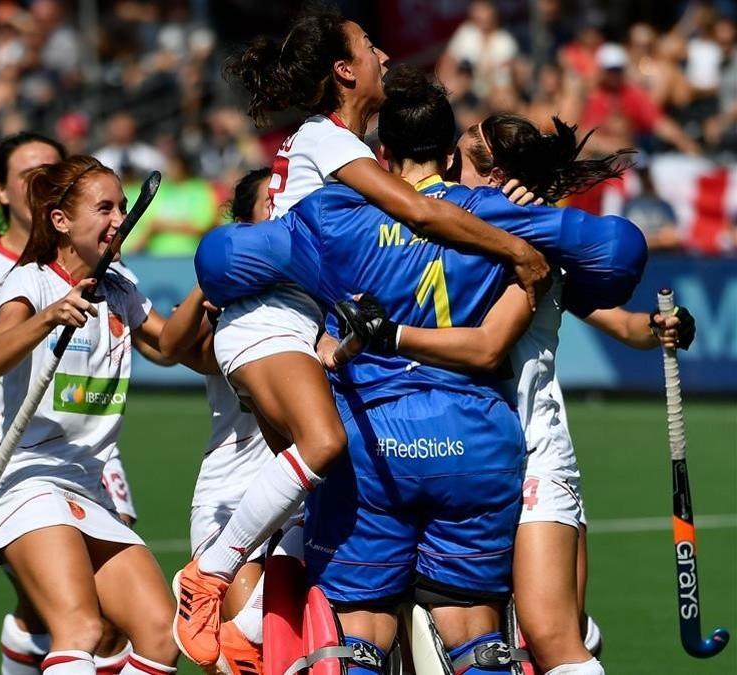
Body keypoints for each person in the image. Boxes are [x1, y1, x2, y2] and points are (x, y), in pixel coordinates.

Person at [193, 66, 647, 675]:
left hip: (374, 450)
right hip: (475, 444)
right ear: (446, 152)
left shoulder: (335, 216)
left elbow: (218, 261)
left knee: (357, 640)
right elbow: (621, 252)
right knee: (475, 636)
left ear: (382, 154)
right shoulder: (493, 214)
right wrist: (536, 222)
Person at [173, 12, 551, 666]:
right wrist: (519, 247)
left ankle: (257, 622)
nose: (385, 55)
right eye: (371, 47)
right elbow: (420, 210)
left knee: (320, 489)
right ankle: (208, 576)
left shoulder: (321, 142)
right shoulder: (327, 138)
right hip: (279, 317)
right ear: (345, 71)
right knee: (326, 445)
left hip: (289, 322)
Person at [376, 107, 689, 675]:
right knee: (491, 636)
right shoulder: (460, 234)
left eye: (462, 159)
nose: (446, 169)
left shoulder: (529, 240)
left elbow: (619, 322)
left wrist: (659, 327)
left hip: (532, 452)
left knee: (550, 636)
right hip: (464, 455)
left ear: (495, 179)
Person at [0, 155, 205, 675]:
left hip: (88, 486)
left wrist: (208, 285)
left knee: (160, 634)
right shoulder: (31, 283)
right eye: (105, 208)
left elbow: (168, 348)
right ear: (61, 221)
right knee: (79, 629)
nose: (120, 219)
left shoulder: (120, 287)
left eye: (123, 208)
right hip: (26, 482)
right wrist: (50, 317)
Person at [0, 133, 139, 674]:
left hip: (95, 456)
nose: (42, 183)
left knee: (114, 622)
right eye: (28, 175)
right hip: (18, 450)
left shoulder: (113, 275)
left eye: (52, 170)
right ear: (1, 191)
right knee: (69, 615)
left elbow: (165, 342)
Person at [158, 167, 276, 675]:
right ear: (243, 225)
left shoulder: (324, 281)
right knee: (232, 653)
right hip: (233, 489)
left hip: (309, 489)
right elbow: (173, 348)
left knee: (272, 642)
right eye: (272, 202)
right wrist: (212, 280)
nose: (286, 207)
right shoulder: (229, 303)